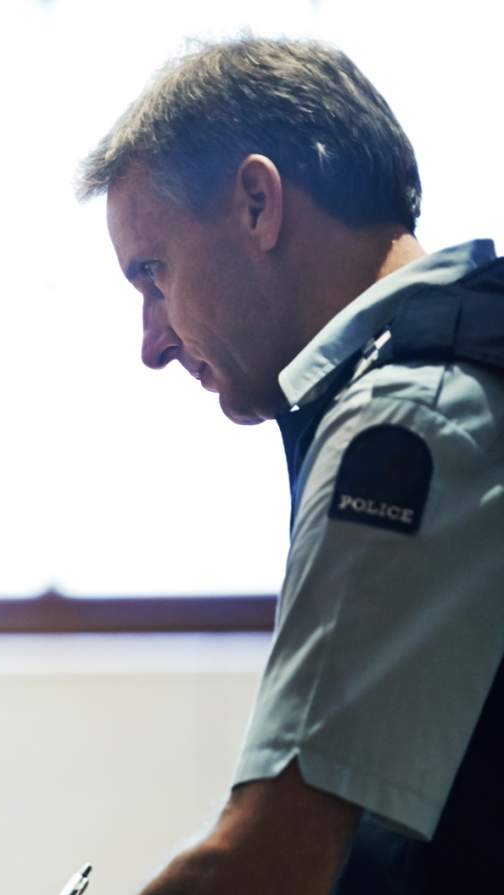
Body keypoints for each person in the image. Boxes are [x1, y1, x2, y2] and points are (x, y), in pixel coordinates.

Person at [78, 37, 503, 894]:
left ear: (258, 205)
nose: (152, 343)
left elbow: (269, 864)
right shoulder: (466, 358)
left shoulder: (403, 424)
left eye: (153, 273)